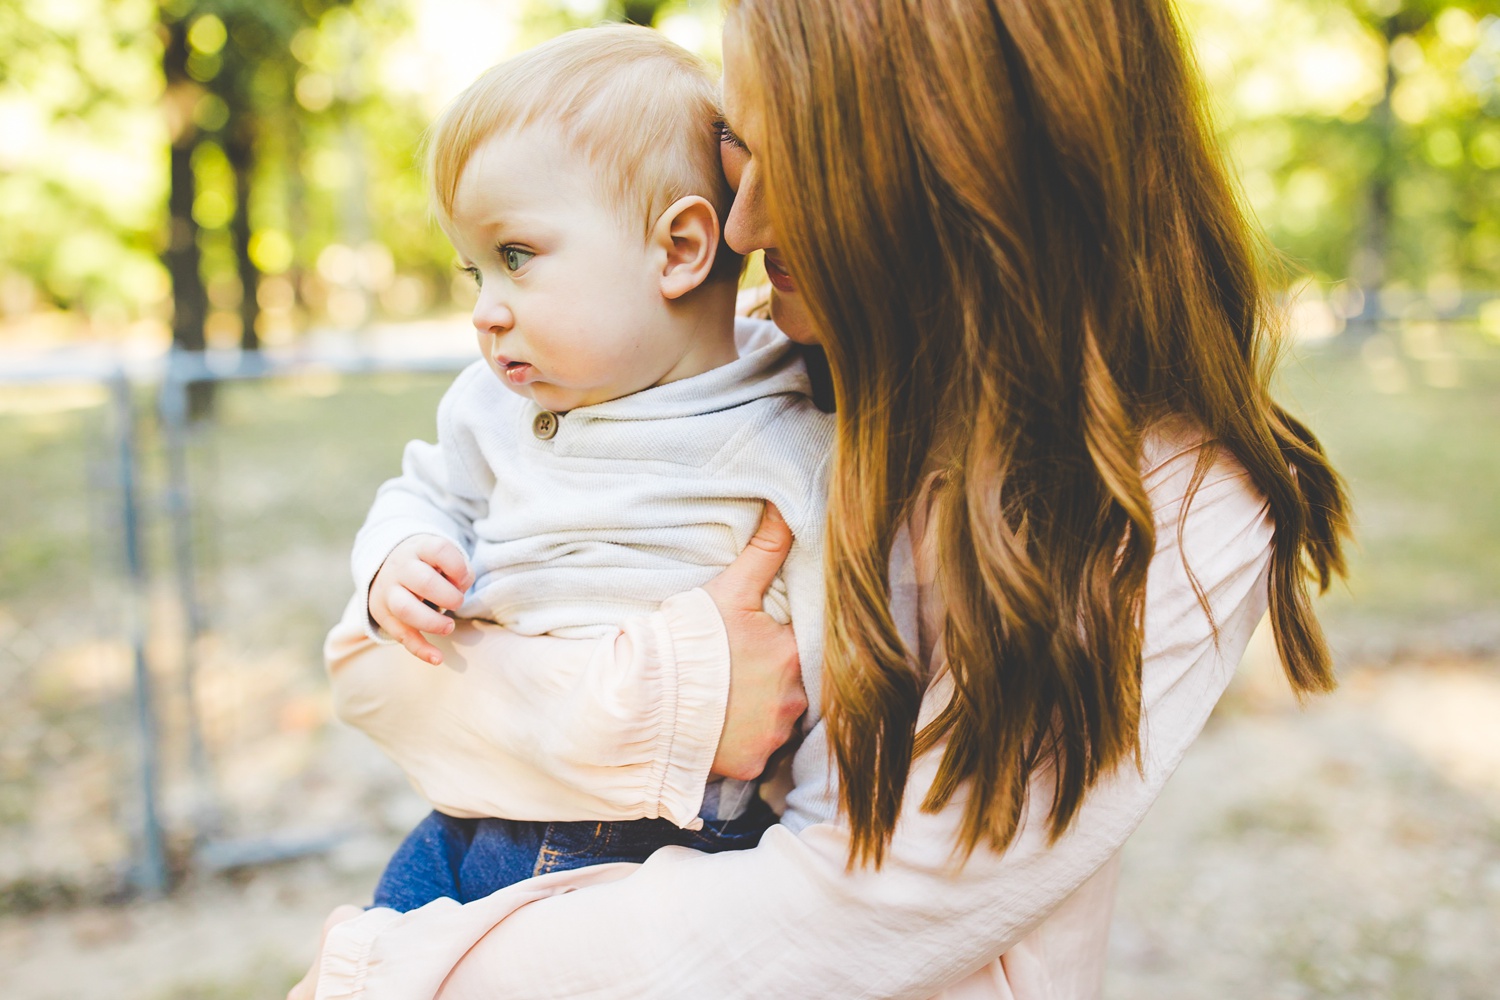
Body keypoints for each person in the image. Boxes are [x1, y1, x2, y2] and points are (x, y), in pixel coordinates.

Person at [294, 0, 1350, 996]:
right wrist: (664, 696)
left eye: (783, 158)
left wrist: (402, 972)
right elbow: (377, 678)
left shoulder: (1168, 503)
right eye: (735, 157)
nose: (744, 228)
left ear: (941, 159)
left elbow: (865, 903)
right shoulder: (780, 362)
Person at [345, 24, 835, 912]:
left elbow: (835, 680)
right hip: (463, 812)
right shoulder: (489, 404)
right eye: (475, 272)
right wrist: (399, 553)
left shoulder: (786, 434)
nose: (486, 313)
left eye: (517, 258)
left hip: (654, 844)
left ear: (679, 249)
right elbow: (423, 490)